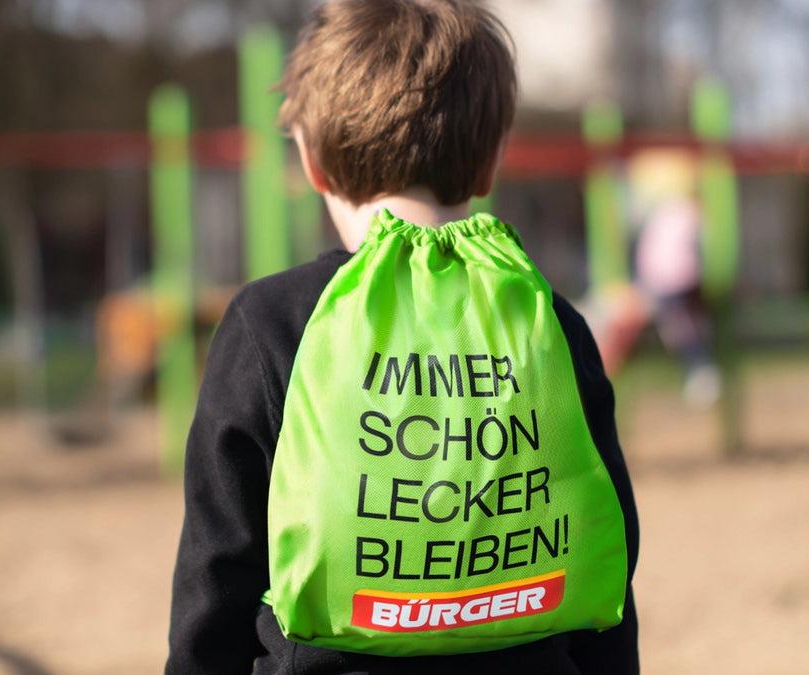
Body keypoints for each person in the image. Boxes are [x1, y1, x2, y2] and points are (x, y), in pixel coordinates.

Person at [165, 1, 639, 673]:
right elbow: (606, 550)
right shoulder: (548, 321)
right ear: (490, 165)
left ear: (312, 164)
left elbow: (217, 573)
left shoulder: (270, 323)